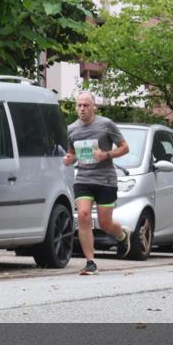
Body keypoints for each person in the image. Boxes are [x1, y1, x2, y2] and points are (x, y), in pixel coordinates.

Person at [63, 91, 131, 275]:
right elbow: (72, 153)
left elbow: (125, 147)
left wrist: (106, 155)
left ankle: (122, 235)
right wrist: (69, 159)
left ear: (94, 107)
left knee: (104, 223)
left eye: (86, 105)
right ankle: (90, 262)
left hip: (105, 179)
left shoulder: (106, 124)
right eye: (79, 105)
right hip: (83, 178)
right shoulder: (71, 129)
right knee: (84, 215)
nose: (82, 109)